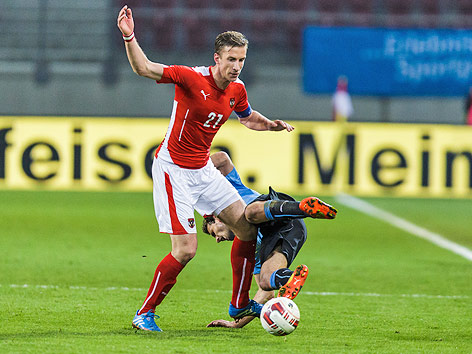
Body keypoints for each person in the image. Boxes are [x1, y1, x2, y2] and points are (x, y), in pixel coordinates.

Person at [117, 6, 295, 332]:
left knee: (246, 227)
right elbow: (143, 68)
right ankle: (145, 313)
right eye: (231, 60)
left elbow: (248, 117)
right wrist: (129, 34)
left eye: (241, 60)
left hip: (203, 170)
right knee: (186, 250)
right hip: (173, 170)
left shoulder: (236, 89)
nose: (237, 66)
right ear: (217, 58)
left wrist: (270, 125)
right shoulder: (189, 78)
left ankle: (239, 303)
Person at [202, 151, 337, 328]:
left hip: (278, 208)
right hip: (292, 230)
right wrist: (235, 325)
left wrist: (195, 172)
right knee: (266, 281)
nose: (218, 239)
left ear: (218, 218)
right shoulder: (250, 244)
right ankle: (289, 279)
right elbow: (265, 294)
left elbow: (222, 159)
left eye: (214, 233)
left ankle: (305, 207)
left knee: (248, 214)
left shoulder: (230, 191)